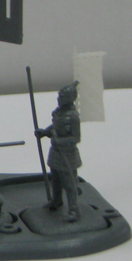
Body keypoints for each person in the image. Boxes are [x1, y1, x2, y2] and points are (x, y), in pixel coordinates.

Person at [36, 81, 82, 222]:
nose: (58, 99)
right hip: (56, 153)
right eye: (59, 96)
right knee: (55, 179)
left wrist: (59, 141)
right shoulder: (59, 112)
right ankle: (57, 200)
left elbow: (76, 138)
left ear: (69, 99)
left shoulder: (73, 116)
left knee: (69, 184)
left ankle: (73, 210)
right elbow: (55, 126)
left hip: (67, 154)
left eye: (62, 97)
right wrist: (45, 132)